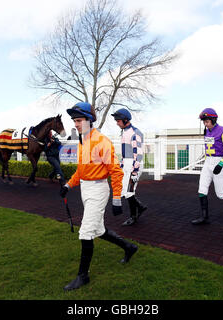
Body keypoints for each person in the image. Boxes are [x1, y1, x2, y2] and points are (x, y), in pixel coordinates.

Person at [59, 102, 138, 291]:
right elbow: (81, 170)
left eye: (78, 120)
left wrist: (117, 199)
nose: (75, 124)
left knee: (86, 232)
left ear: (89, 120)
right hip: (85, 189)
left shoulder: (102, 141)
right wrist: (68, 185)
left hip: (98, 190)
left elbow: (116, 172)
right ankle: (129, 247)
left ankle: (82, 276)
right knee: (99, 230)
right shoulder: (83, 141)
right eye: (74, 121)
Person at [191, 108, 223, 225]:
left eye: (207, 121)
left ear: (213, 119)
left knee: (220, 194)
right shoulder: (206, 131)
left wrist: (221, 163)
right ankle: (204, 217)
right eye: (204, 121)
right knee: (202, 190)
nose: (205, 123)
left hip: (219, 162)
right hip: (208, 162)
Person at [111, 108, 147, 226]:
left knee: (129, 192)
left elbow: (139, 154)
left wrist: (135, 172)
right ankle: (140, 207)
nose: (116, 123)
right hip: (127, 164)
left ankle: (134, 217)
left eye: (118, 120)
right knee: (124, 191)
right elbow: (125, 152)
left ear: (125, 120)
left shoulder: (135, 133)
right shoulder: (125, 132)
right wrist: (121, 165)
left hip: (134, 165)